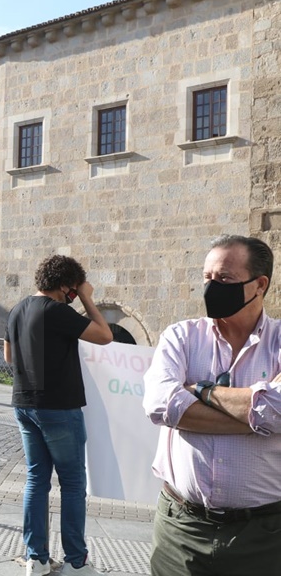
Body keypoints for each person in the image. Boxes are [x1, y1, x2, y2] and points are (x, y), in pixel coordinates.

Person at [143, 235, 281, 576]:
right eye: (206, 278)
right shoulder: (182, 337)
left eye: (223, 279)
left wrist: (202, 392)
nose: (210, 288)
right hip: (181, 530)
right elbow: (161, 405)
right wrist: (255, 416)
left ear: (259, 285)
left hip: (263, 536)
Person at [4, 255, 113, 576]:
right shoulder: (58, 311)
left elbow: (8, 356)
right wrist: (88, 298)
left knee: (37, 480)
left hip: (24, 403)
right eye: (74, 290)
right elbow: (104, 335)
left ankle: (35, 559)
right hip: (59, 407)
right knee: (72, 483)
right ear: (67, 287)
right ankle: (76, 562)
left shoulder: (17, 309)